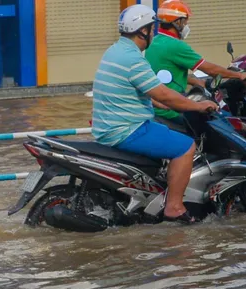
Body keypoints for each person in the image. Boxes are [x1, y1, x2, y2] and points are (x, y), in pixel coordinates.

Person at [91, 5, 218, 223]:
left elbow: (129, 90)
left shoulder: (115, 51)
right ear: (143, 31)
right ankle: (174, 207)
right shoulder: (134, 60)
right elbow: (164, 93)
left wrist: (159, 101)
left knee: (164, 133)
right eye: (152, 28)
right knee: (186, 146)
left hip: (109, 126)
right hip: (127, 129)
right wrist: (197, 105)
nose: (154, 33)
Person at [145, 1, 246, 131]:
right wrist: (239, 75)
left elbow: (164, 70)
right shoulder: (176, 46)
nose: (186, 26)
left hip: (157, 105)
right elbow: (209, 69)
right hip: (172, 109)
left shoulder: (155, 41)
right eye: (185, 21)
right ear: (177, 22)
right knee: (221, 119)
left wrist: (193, 80)